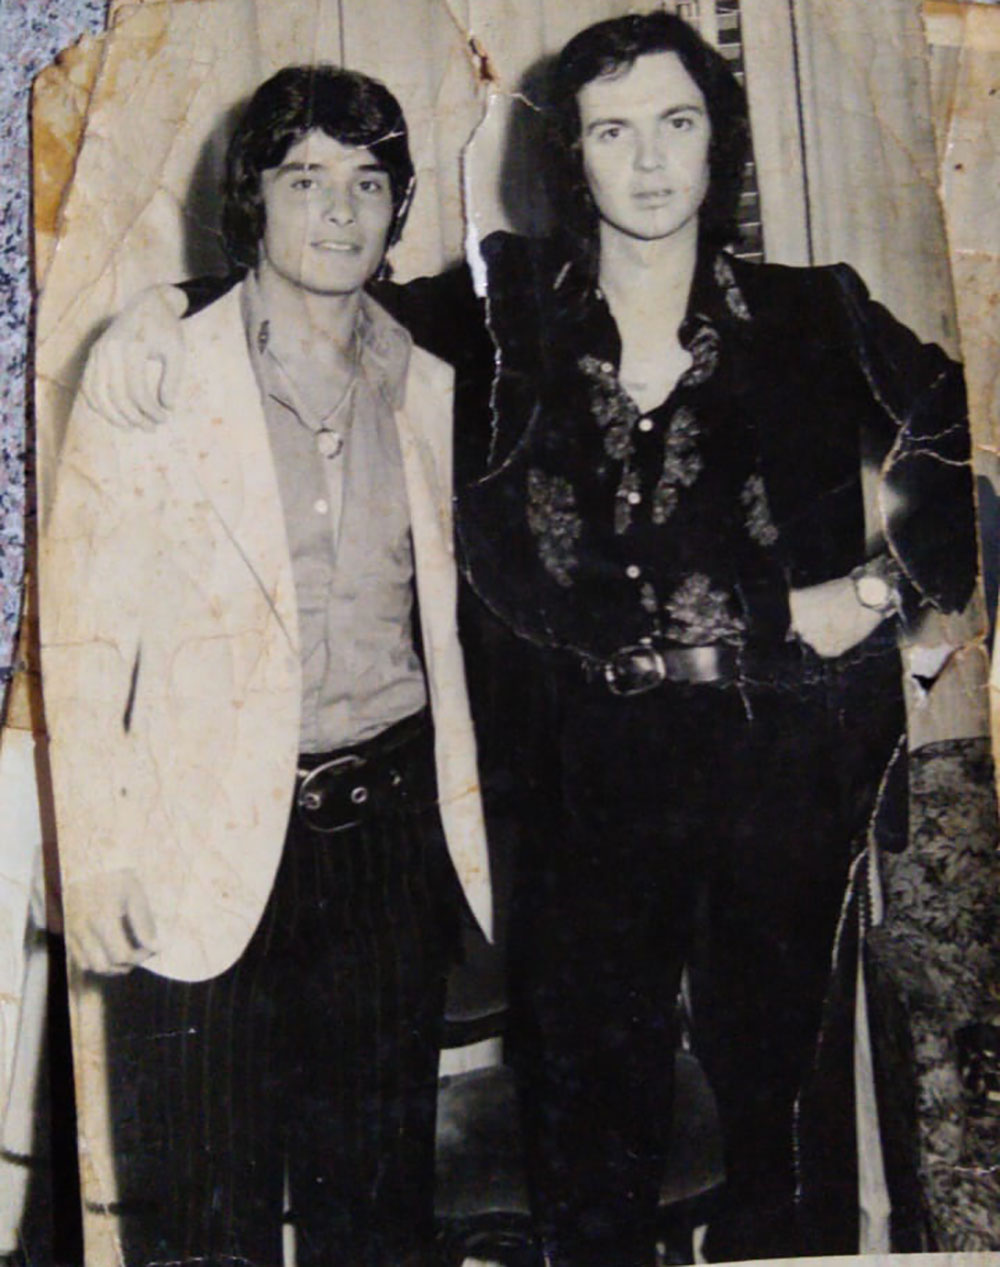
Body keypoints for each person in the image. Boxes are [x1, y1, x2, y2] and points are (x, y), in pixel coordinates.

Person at [79, 12, 978, 1265]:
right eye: (612, 132)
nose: (648, 161)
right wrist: (152, 313)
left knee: (781, 1141)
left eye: (677, 124)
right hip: (576, 794)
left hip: (781, 774)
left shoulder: (812, 310)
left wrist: (879, 595)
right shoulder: (500, 313)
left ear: (718, 144)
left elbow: (960, 440)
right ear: (572, 156)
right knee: (591, 1163)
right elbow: (322, 288)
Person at [40, 64, 491, 1267]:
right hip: (202, 846)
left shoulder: (433, 382)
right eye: (304, 180)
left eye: (367, 182)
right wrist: (98, 856)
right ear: (253, 197)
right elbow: (83, 632)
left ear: (398, 206)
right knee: (206, 1223)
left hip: (388, 847)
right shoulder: (155, 371)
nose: (339, 210)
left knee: (375, 1224)